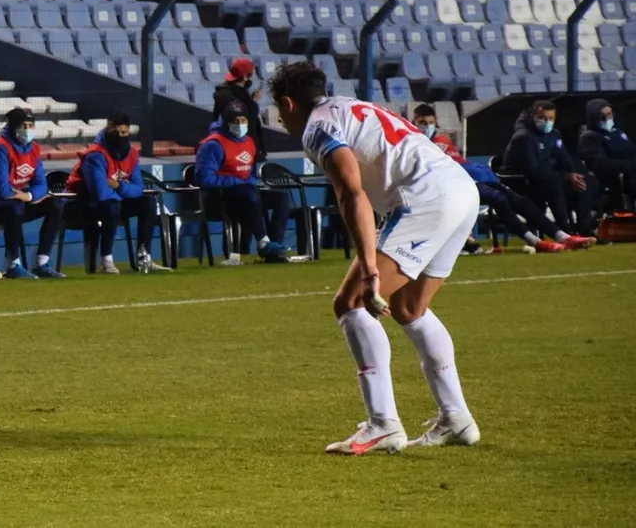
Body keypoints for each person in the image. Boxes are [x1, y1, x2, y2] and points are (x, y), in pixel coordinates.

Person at [270, 61, 482, 454]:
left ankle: (382, 423)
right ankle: (456, 419)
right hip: (461, 190)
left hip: (426, 198)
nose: (282, 119)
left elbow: (352, 194)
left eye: (280, 111)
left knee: (350, 303)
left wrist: (369, 269)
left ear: (287, 103)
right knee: (409, 307)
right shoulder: (350, 106)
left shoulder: (317, 127)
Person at [412, 104, 593, 253]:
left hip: (466, 182)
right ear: (413, 122)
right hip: (442, 188)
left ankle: (562, 236)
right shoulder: (412, 142)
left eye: (430, 122)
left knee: (515, 199)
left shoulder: (443, 140)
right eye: (422, 122)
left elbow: (459, 163)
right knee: (499, 199)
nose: (427, 126)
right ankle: (536, 242)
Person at [65, 112, 170, 274]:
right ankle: (106, 260)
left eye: (124, 132)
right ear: (108, 131)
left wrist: (117, 185)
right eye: (116, 132)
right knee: (111, 205)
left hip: (114, 201)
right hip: (83, 204)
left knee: (148, 203)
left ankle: (144, 258)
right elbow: (100, 193)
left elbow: (138, 188)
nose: (121, 136)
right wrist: (123, 191)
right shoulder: (95, 155)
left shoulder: (132, 154)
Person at [0, 108, 65, 279]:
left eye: (30, 125)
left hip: (15, 202)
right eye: (23, 125)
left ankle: (42, 263)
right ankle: (13, 264)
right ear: (13, 126)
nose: (27, 130)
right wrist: (26, 196)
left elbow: (42, 184)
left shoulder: (33, 149)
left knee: (54, 205)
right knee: (15, 205)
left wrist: (29, 196)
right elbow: (2, 190)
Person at [195, 103, 291, 265]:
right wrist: (236, 182)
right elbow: (204, 179)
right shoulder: (212, 145)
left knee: (280, 198)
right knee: (249, 192)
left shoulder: (249, 142)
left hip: (247, 195)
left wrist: (248, 183)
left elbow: (251, 174)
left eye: (243, 120)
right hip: (220, 197)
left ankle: (273, 248)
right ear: (226, 122)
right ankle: (263, 242)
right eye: (235, 121)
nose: (240, 125)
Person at [502, 101, 596, 238]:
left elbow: (564, 158)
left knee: (582, 181)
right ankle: (565, 232)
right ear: (532, 116)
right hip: (521, 182)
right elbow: (532, 169)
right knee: (554, 184)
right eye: (543, 118)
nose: (547, 122)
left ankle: (584, 229)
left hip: (545, 178)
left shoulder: (554, 134)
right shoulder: (523, 137)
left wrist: (573, 174)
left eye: (551, 118)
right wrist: (565, 177)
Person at [578, 98, 636, 208]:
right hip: (612, 180)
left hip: (629, 175)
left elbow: (632, 150)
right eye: (603, 116)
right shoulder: (590, 137)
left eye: (609, 114)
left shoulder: (617, 131)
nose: (607, 118)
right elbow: (598, 163)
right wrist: (626, 165)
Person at [212, 58, 267, 162]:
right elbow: (244, 122)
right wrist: (253, 102)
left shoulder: (236, 93)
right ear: (246, 76)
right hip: (239, 151)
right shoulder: (229, 97)